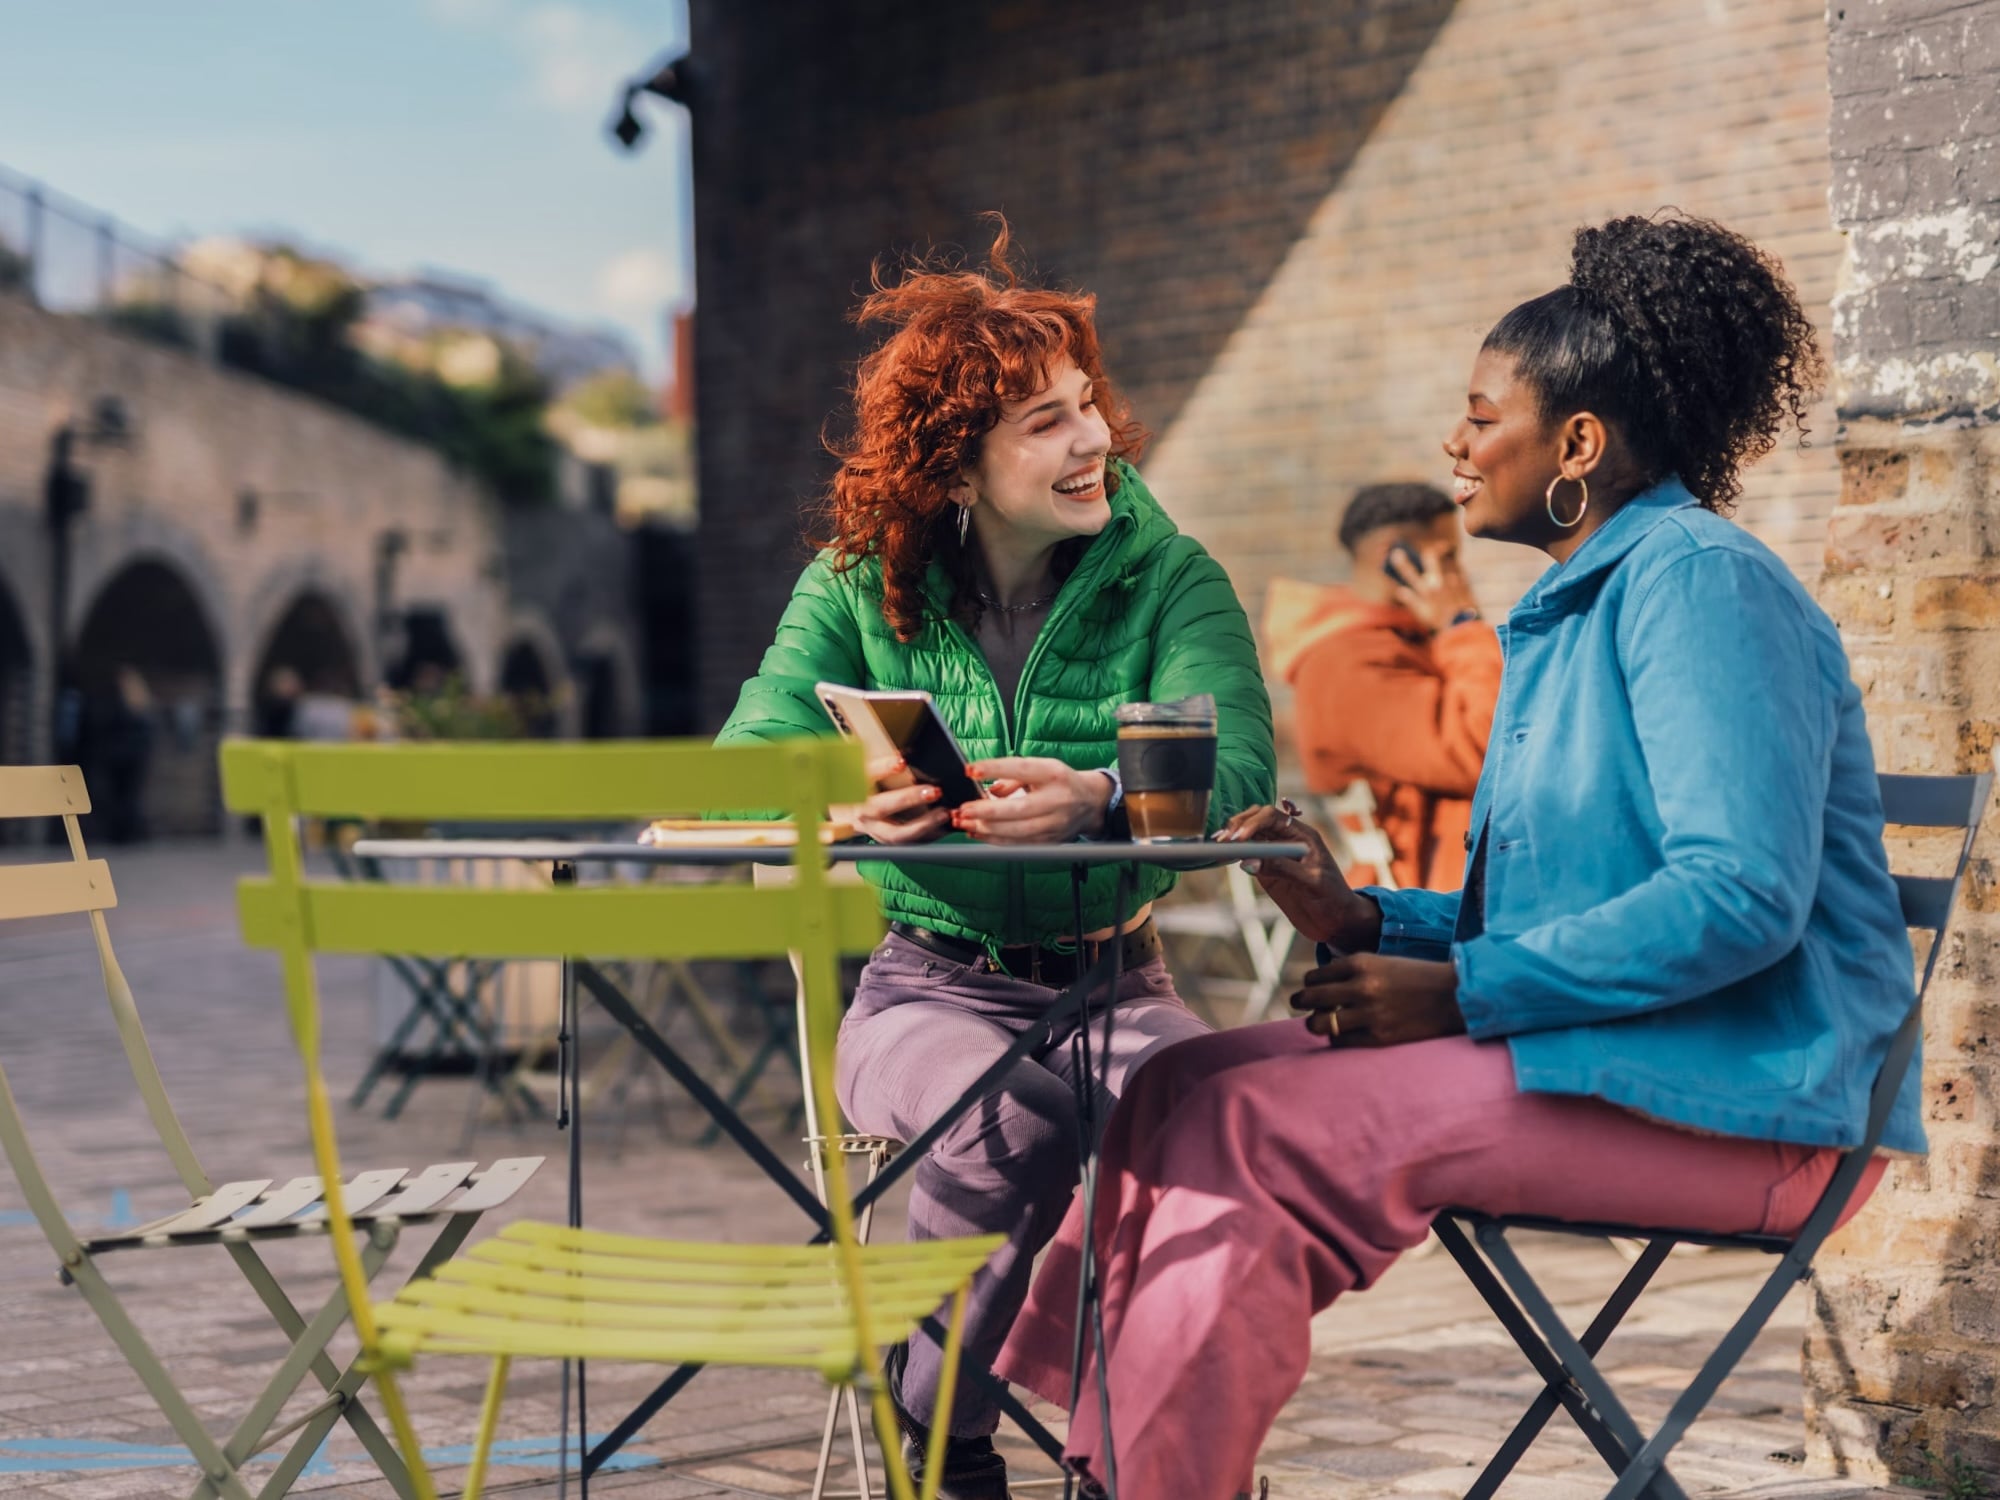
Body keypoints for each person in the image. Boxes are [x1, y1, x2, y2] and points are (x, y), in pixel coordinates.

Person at [993, 211, 1920, 1500]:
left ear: (1576, 445)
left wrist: (1466, 993)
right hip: (1611, 1055)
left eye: (1481, 415)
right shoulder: (1579, 602)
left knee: (1259, 1125)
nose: (1454, 444)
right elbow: (1559, 907)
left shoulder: (1698, 584)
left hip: (1757, 1103)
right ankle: (1129, 1467)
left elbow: (1739, 899)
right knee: (1175, 1086)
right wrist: (1369, 923)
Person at [714, 221, 1275, 1499]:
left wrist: (1096, 797)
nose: (1091, 442)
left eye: (1085, 408)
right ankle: (942, 1436)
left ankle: (1132, 1454)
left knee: (1224, 1123)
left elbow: (1236, 771)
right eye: (1040, 422)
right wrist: (858, 793)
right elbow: (752, 752)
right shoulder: (858, 584)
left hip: (1117, 985)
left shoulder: (1172, 578)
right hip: (925, 987)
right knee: (995, 1110)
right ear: (954, 465)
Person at [1281, 482, 1501, 888]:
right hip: (1420, 902)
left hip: (1463, 880)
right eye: (1446, 558)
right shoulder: (1346, 662)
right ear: (1393, 557)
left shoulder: (1403, 641)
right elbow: (1488, 752)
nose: (1458, 576)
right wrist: (1462, 625)